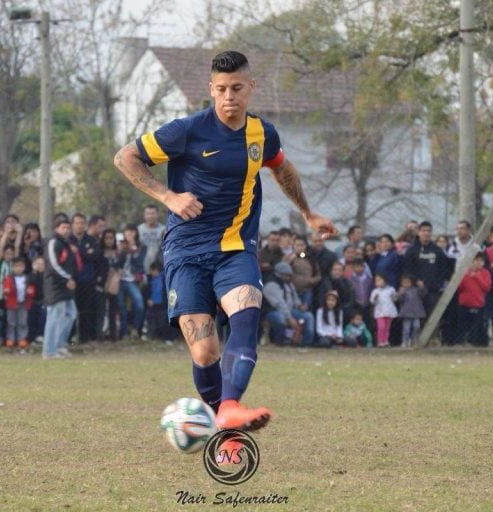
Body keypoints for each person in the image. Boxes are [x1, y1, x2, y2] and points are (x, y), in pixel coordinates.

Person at [113, 50, 337, 434]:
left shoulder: (262, 134)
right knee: (205, 351)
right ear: (211, 90)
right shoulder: (187, 130)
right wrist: (169, 197)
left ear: (251, 87)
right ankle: (226, 428)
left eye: (236, 88)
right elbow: (126, 157)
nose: (228, 96)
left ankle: (231, 407)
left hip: (236, 247)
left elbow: (281, 167)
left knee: (246, 312)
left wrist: (307, 212)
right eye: (221, 89)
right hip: (185, 252)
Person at [42, 216, 79, 360]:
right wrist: (66, 279)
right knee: (54, 317)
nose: (66, 230)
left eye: (68, 228)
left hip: (66, 286)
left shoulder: (66, 244)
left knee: (71, 313)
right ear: (56, 228)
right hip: (55, 286)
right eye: (63, 227)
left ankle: (59, 345)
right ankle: (49, 351)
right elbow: (53, 265)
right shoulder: (53, 243)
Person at [262, 261, 315, 346]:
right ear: (278, 274)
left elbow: (295, 297)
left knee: (308, 316)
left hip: (290, 310)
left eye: (289, 275)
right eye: (286, 275)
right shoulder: (271, 285)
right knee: (280, 320)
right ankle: (280, 343)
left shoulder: (288, 284)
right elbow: (280, 304)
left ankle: (305, 344)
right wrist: (289, 318)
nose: (288, 277)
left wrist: (300, 305)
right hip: (273, 311)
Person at [70, 213, 99, 343]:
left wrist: (78, 251)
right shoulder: (68, 240)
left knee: (86, 310)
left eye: (82, 223)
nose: (80, 226)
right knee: (70, 310)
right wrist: (84, 253)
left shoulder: (91, 240)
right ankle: (69, 337)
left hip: (87, 280)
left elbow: (93, 256)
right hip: (72, 281)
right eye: (77, 223)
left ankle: (84, 338)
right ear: (72, 225)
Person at [116, 224, 147, 340]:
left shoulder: (141, 247)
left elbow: (139, 262)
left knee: (139, 304)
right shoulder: (120, 246)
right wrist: (122, 250)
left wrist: (133, 249)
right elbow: (117, 263)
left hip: (132, 280)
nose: (129, 235)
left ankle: (135, 329)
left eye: (132, 232)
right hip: (119, 279)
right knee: (121, 307)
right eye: (127, 233)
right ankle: (124, 333)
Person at [455, 252, 492, 346]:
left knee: (477, 326)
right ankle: (462, 342)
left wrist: (477, 277)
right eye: (476, 260)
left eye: (481, 260)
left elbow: (487, 287)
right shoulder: (464, 272)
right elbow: (459, 287)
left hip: (478, 304)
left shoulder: (485, 273)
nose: (478, 263)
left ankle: (477, 343)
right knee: (462, 325)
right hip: (464, 304)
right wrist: (467, 276)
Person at [3, 257, 35, 350]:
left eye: (21, 266)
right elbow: (5, 288)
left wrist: (30, 292)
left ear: (24, 267)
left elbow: (31, 288)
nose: (18, 268)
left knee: (22, 322)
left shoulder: (27, 278)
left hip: (24, 303)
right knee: (11, 322)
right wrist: (7, 291)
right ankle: (10, 338)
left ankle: (22, 338)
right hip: (11, 303)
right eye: (16, 266)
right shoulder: (9, 278)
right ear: (12, 267)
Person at [397, 274, 426, 348]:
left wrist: (421, 286)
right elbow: (399, 300)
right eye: (404, 283)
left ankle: (412, 340)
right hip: (406, 314)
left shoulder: (416, 290)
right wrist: (401, 294)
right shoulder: (401, 290)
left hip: (416, 313)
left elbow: (423, 294)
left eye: (408, 282)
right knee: (406, 328)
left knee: (417, 327)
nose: (406, 284)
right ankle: (404, 341)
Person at [370, 273, 398, 347]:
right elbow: (372, 301)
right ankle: (380, 341)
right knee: (381, 327)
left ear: (385, 281)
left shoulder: (391, 289)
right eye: (376, 281)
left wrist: (394, 296)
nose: (377, 282)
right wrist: (375, 298)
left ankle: (385, 340)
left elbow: (395, 299)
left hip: (389, 311)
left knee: (387, 327)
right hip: (380, 311)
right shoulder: (375, 291)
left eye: (379, 280)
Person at [138, 204, 166, 272]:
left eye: (153, 213)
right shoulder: (139, 230)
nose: (150, 216)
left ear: (157, 215)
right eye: (148, 213)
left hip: (159, 266)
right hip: (141, 267)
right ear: (144, 215)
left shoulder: (164, 229)